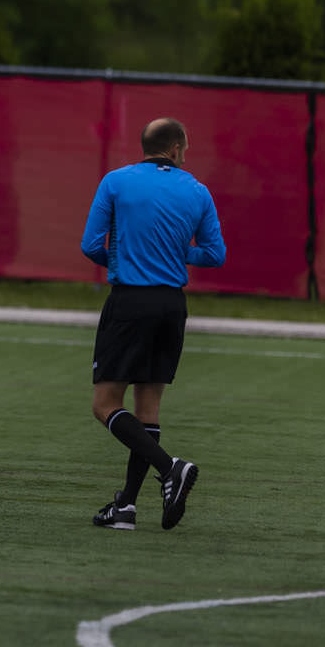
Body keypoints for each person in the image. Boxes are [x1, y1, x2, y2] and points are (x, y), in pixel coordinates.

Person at [81, 117, 225, 532]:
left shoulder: (116, 181)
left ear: (146, 146)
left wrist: (127, 258)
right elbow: (214, 254)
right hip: (171, 306)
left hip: (130, 301)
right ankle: (125, 506)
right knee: (148, 410)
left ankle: (170, 468)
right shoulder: (197, 191)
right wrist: (177, 253)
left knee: (104, 404)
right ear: (177, 148)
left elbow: (92, 245)